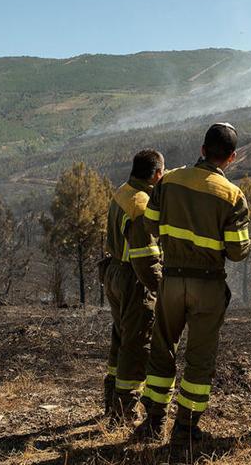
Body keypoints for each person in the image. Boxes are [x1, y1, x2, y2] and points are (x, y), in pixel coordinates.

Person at [136, 122, 251, 446]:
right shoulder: (232, 196)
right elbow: (238, 251)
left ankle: (153, 422)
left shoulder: (169, 181)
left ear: (202, 150)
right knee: (199, 359)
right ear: (231, 157)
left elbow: (151, 224)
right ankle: (185, 428)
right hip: (208, 287)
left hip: (171, 282)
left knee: (162, 350)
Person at [101, 149, 164, 424]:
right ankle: (124, 412)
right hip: (133, 279)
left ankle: (111, 398)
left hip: (114, 272)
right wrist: (161, 288)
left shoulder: (123, 191)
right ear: (157, 174)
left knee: (120, 337)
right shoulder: (141, 205)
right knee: (136, 344)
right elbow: (146, 258)